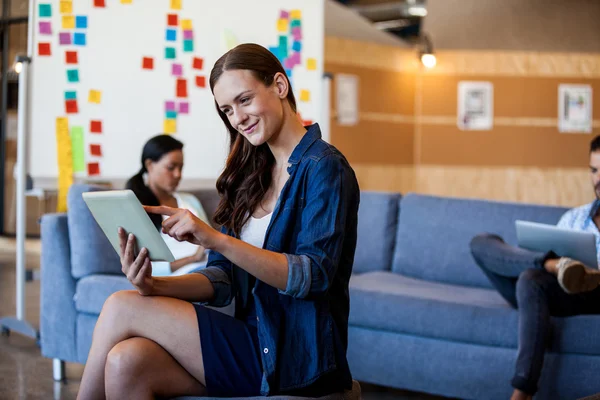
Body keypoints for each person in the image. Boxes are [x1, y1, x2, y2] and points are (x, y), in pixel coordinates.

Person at [76, 43, 360, 399]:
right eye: (227, 109)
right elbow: (223, 279)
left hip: (295, 353)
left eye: (244, 100)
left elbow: (311, 276)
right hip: (251, 338)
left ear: (280, 86)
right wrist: (154, 287)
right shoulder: (247, 174)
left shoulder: (324, 168)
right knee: (125, 360)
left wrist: (215, 238)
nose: (237, 118)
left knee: (120, 306)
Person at [470, 135, 600, 400]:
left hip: (593, 295)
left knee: (531, 279)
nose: (598, 179)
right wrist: (551, 266)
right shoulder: (574, 217)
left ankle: (522, 392)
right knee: (481, 243)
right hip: (546, 292)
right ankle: (550, 263)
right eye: (594, 170)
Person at [125, 134, 209, 276]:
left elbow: (210, 238)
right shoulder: (138, 207)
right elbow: (144, 267)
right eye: (171, 167)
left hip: (211, 267)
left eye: (181, 168)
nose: (178, 175)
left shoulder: (190, 201)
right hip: (184, 275)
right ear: (150, 165)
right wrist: (193, 259)